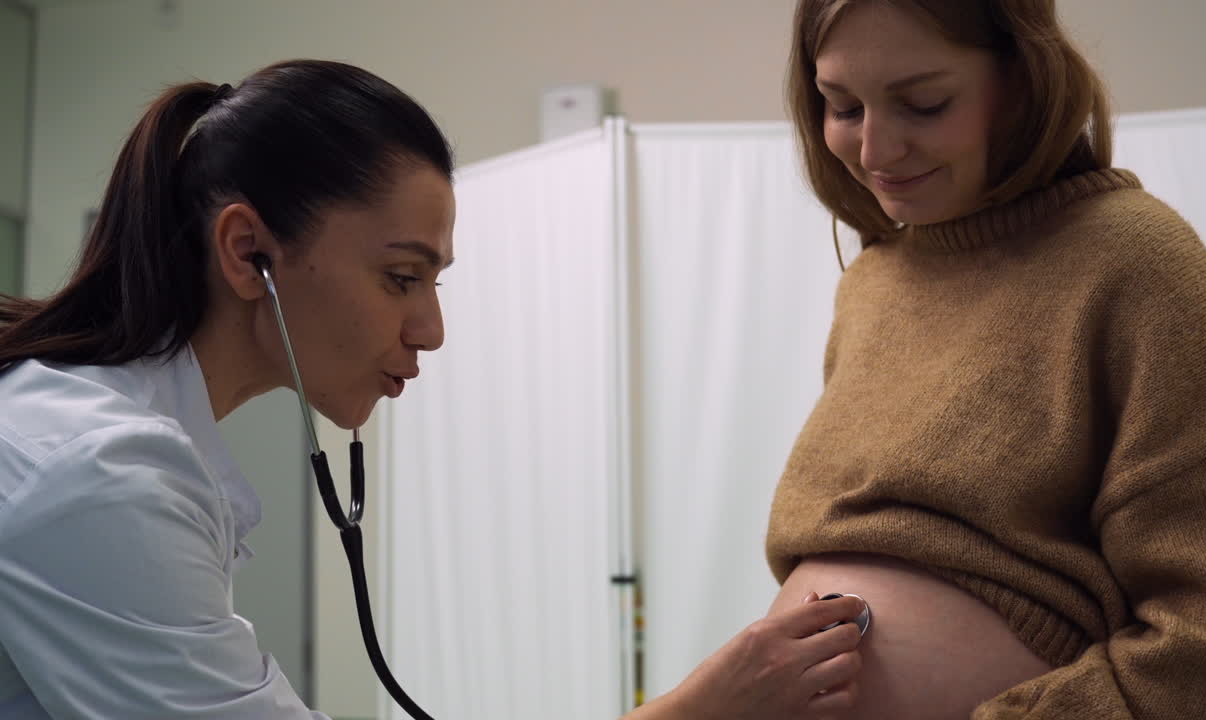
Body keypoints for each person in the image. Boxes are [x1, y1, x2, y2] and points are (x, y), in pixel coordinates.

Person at [0, 60, 867, 719]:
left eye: (434, 283)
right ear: (246, 252)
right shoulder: (96, 478)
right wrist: (706, 706)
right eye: (401, 277)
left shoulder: (125, 449)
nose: (431, 330)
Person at [765, 0, 1206, 717]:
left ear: (1024, 81)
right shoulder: (871, 285)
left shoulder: (1140, 267)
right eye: (843, 107)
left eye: (924, 103)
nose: (877, 151)